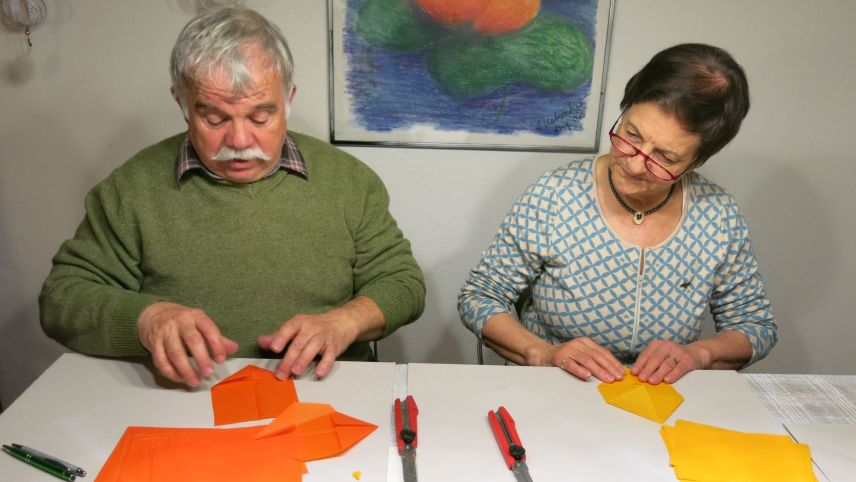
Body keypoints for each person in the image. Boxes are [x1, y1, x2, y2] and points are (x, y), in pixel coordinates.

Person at [39, 6, 425, 388]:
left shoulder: (349, 181)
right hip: (182, 398)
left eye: (261, 117)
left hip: (324, 393)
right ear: (182, 104)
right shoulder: (131, 189)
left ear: (288, 99)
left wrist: (344, 322)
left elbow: (403, 284)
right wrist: (146, 319)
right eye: (215, 119)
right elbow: (62, 300)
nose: (240, 141)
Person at [458, 43, 777, 385]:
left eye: (666, 158)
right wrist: (541, 353)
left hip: (661, 405)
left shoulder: (718, 216)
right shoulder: (554, 196)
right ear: (624, 110)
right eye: (631, 135)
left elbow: (754, 326)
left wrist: (700, 354)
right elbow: (480, 295)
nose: (636, 164)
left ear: (698, 161)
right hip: (554, 392)